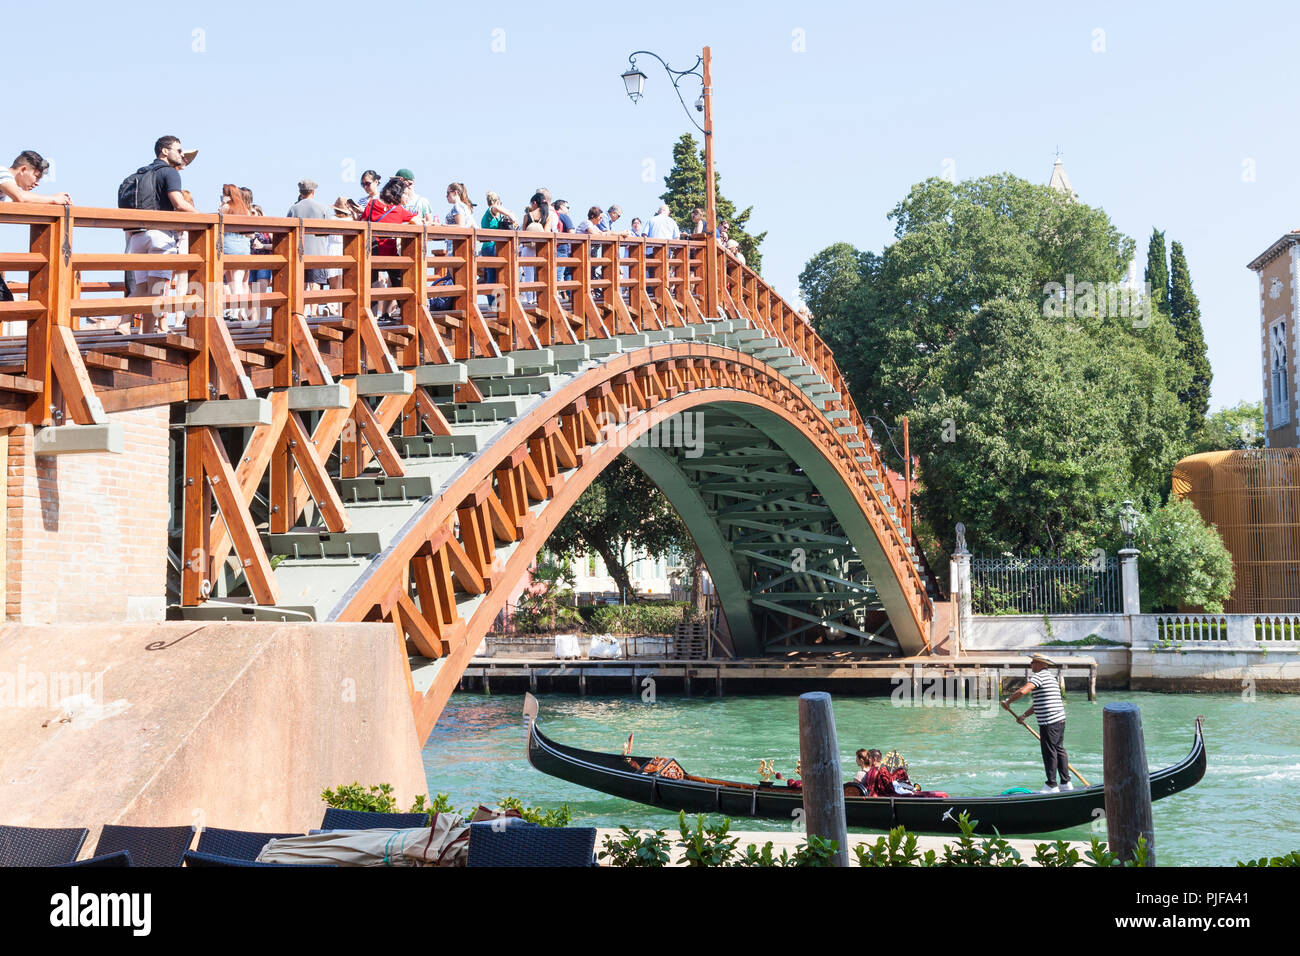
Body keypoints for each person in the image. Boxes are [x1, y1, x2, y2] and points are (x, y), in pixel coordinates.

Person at [122, 136, 197, 331]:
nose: (182, 155)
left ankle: (124, 324)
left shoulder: (143, 172)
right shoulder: (169, 172)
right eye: (179, 150)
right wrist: (204, 216)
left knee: (140, 288)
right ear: (165, 151)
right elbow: (178, 204)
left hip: (138, 236)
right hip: (160, 236)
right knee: (156, 290)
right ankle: (146, 334)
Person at [0, 150, 72, 308]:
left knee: (4, 301)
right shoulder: (2, 172)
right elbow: (20, 198)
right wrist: (54, 199)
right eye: (36, 176)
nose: (37, 183)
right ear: (23, 170)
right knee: (4, 301)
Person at [1003, 653, 1073, 793]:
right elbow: (1040, 703)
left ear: (1041, 664)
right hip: (1059, 719)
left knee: (1049, 752)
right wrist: (1024, 715)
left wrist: (1008, 702)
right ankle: (1066, 783)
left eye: (1033, 662)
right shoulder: (1050, 678)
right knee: (1059, 750)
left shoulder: (1038, 677)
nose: (1031, 665)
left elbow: (1023, 691)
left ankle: (1052, 785)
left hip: (1050, 722)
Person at [361, 176, 418, 319]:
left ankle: (371, 317)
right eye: (404, 193)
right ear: (398, 194)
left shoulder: (372, 204)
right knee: (401, 280)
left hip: (372, 252)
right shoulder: (398, 210)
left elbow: (362, 221)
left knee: (371, 283)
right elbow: (417, 221)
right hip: (389, 253)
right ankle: (407, 312)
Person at [286, 179, 333, 307]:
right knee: (315, 282)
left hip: (299, 252)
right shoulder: (323, 208)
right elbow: (329, 230)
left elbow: (287, 231)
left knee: (301, 283)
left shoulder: (293, 209)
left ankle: (301, 311)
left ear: (300, 192)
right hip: (318, 251)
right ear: (313, 191)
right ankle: (313, 311)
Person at [218, 184, 252, 323]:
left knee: (217, 278)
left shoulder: (226, 207)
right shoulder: (246, 211)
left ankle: (221, 309)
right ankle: (237, 311)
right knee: (238, 281)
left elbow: (217, 222)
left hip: (228, 245)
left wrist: (222, 203)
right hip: (243, 247)